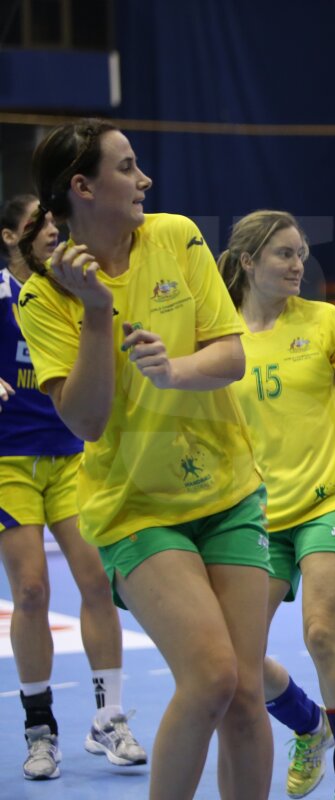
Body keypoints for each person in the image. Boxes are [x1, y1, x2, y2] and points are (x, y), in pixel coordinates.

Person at [15, 118, 273, 799]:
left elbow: (232, 354)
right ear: (84, 187)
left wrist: (176, 372)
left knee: (247, 694)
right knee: (213, 676)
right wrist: (97, 313)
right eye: (127, 167)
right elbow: (88, 420)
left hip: (229, 494)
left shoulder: (176, 234)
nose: (144, 180)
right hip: (135, 511)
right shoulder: (45, 295)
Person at [220, 211, 335, 800]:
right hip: (252, 516)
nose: (298, 265)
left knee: (321, 633)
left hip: (329, 502)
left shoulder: (326, 323)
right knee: (237, 662)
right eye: (284, 255)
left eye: (300, 254)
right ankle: (309, 724)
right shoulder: (217, 340)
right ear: (247, 262)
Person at [1, 194, 146, 780]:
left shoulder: (78, 286)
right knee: (31, 591)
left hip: (71, 455)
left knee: (98, 581)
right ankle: (41, 730)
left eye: (55, 220)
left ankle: (108, 719)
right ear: (11, 237)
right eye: (38, 224)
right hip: (8, 460)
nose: (53, 230)